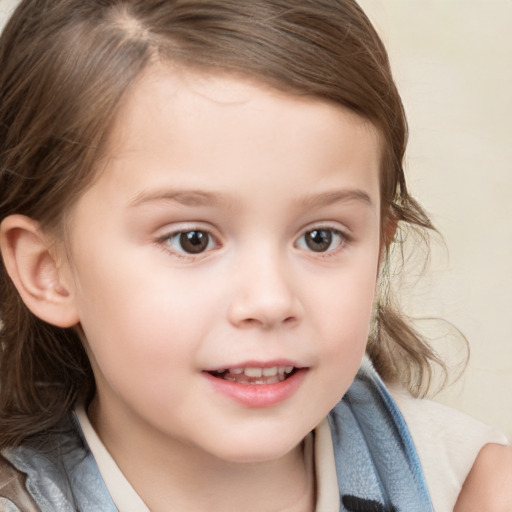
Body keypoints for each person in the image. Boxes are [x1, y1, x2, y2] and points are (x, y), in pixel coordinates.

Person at [0, 1, 510, 511]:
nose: (269, 301)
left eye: (320, 238)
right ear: (48, 271)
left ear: (379, 248)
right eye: (192, 239)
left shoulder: (463, 485)